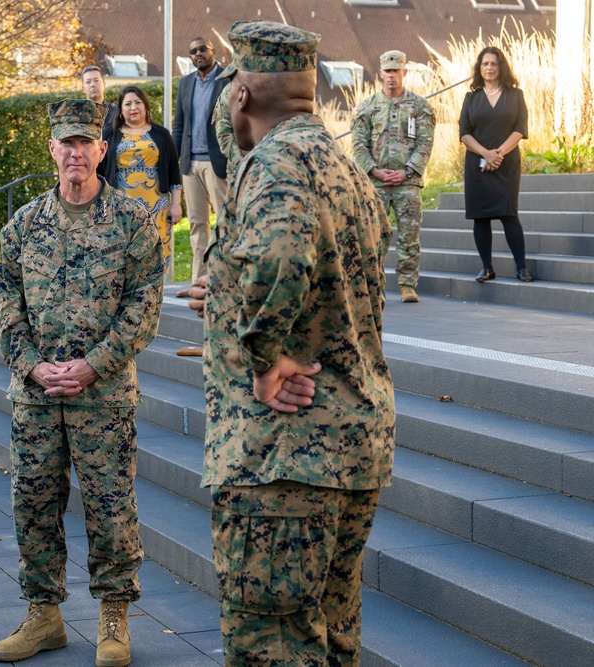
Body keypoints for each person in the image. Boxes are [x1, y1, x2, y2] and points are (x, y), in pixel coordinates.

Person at [203, 21, 395, 666]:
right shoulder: (345, 166)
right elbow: (331, 271)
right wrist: (232, 290)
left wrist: (265, 354)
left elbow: (281, 253)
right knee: (331, 639)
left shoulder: (275, 162)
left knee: (275, 646)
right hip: (350, 444)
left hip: (284, 457)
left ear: (240, 94)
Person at [0, 99, 164, 666]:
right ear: (52, 150)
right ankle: (44, 614)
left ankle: (114, 615)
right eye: (66, 143)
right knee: (33, 502)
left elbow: (144, 306)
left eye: (85, 143)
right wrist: (35, 367)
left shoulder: (133, 221)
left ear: (102, 149)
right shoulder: (22, 226)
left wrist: (95, 363)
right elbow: (5, 311)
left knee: (110, 505)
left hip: (104, 395)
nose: (75, 152)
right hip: (36, 397)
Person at [351, 50, 436, 303]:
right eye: (387, 71)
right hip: (375, 183)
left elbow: (425, 143)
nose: (391, 76)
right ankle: (374, 284)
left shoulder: (419, 107)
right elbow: (358, 145)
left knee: (409, 236)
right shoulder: (366, 107)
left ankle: (407, 284)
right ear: (380, 73)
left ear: (404, 73)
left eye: (396, 71)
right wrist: (374, 170)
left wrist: (406, 171)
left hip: (407, 183)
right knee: (373, 235)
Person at [459, 46, 533, 283]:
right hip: (477, 165)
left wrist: (497, 154)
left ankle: (521, 267)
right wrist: (485, 154)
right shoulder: (471, 98)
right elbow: (464, 133)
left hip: (507, 163)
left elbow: (520, 129)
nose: (489, 68)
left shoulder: (515, 95)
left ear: (501, 67)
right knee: (480, 217)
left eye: (493, 63)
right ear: (479, 69)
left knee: (509, 214)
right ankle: (487, 267)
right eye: (485, 64)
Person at [98, 85, 182, 275]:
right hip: (119, 207)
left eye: (138, 102)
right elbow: (99, 173)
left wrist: (176, 204)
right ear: (121, 109)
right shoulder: (109, 134)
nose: (133, 107)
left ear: (145, 106)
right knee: (122, 259)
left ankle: (155, 302)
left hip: (157, 208)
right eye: (128, 103)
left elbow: (174, 172)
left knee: (154, 261)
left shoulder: (161, 134)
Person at [173, 36, 229, 291]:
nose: (198, 54)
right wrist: (173, 160)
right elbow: (178, 125)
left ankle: (224, 279)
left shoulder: (228, 78)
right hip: (190, 164)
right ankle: (198, 281)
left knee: (225, 221)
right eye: (193, 51)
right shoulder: (186, 83)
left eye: (202, 49)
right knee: (197, 224)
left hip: (217, 162)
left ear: (213, 51)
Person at [81, 65, 118, 136]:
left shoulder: (116, 112)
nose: (92, 85)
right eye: (88, 82)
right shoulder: (77, 114)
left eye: (96, 80)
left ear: (104, 84)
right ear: (83, 88)